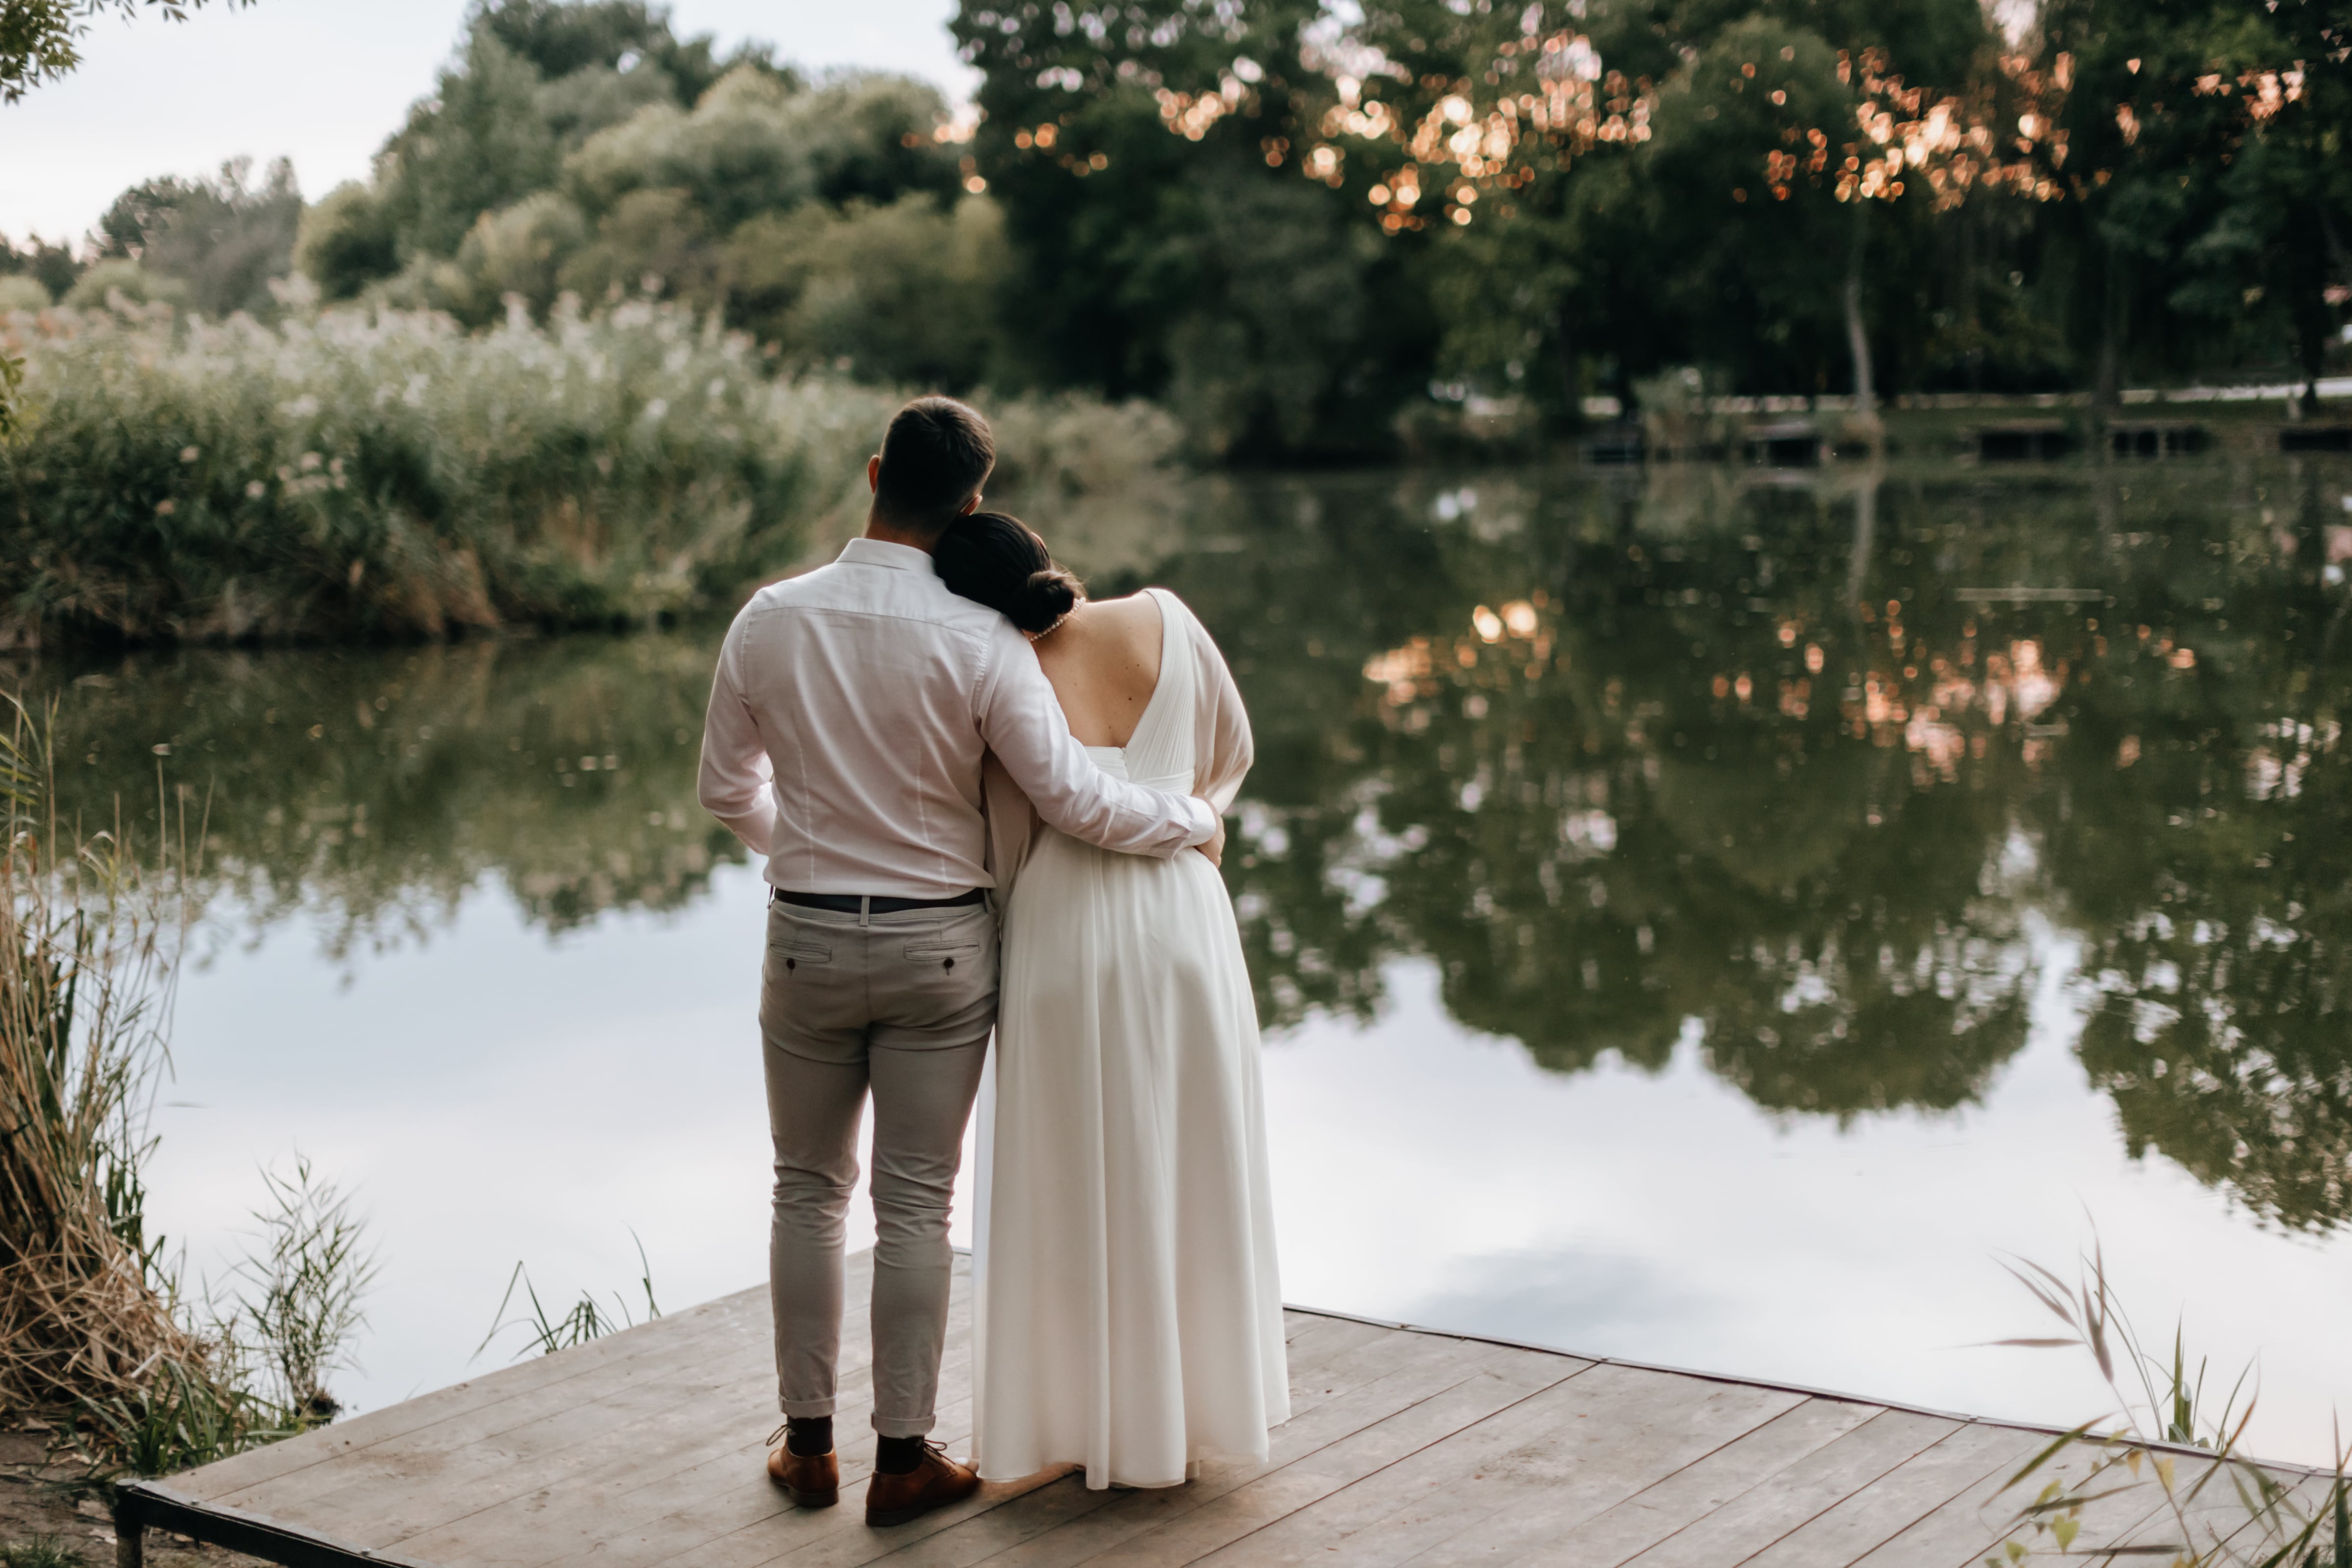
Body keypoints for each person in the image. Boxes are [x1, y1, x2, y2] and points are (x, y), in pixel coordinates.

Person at [697, 399, 1228, 1528]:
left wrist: (794, 843)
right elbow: (1072, 799)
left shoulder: (769, 617)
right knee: (915, 1206)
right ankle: (903, 1458)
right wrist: (1188, 817)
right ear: (971, 504)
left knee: (804, 1188)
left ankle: (806, 1449)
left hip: (805, 936)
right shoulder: (983, 639)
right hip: (942, 943)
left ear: (876, 471)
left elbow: (725, 788)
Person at [934, 512, 1288, 1491]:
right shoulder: (1166, 618)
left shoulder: (999, 674)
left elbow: (1003, 838)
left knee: (1075, 1170)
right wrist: (1192, 816)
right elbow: (1234, 753)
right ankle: (1194, 1410)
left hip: (1064, 925)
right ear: (1044, 557)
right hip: (1186, 916)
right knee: (1190, 1156)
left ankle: (1090, 1418)